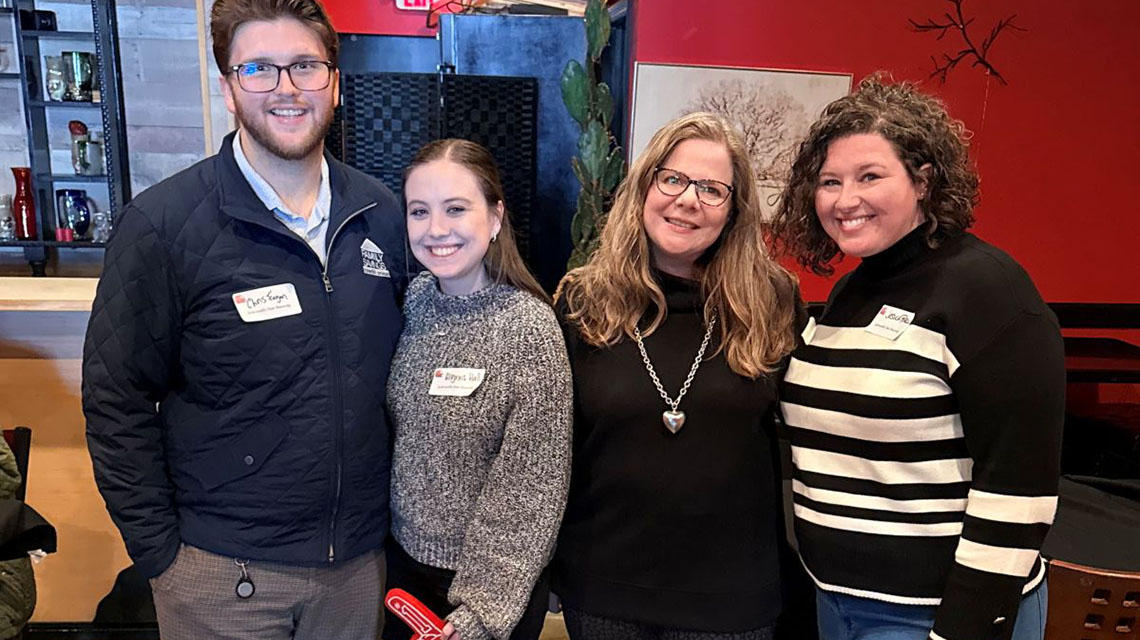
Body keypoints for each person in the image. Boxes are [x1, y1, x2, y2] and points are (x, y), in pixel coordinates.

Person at [81, 0, 409, 638]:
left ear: (335, 83)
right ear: (229, 87)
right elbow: (115, 400)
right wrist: (162, 558)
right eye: (259, 68)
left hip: (356, 573)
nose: (286, 89)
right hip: (218, 577)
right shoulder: (163, 225)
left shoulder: (383, 215)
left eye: (305, 67)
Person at [769, 75, 1064, 640]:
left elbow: (1018, 487)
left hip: (933, 614)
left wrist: (964, 628)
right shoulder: (853, 290)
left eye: (869, 176)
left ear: (924, 179)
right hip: (837, 601)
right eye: (829, 181)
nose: (844, 199)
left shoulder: (988, 292)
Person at [552, 112, 802, 639]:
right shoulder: (582, 302)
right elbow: (553, 450)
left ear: (734, 211)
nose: (687, 199)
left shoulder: (772, 302)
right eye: (673, 179)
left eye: (712, 189)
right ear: (646, 186)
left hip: (731, 599)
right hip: (604, 590)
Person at [382, 139, 572, 640]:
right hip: (401, 572)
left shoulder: (528, 329)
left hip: (484, 595)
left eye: (456, 209)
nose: (436, 229)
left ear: (494, 216)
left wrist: (479, 617)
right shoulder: (414, 303)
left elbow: (532, 490)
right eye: (419, 211)